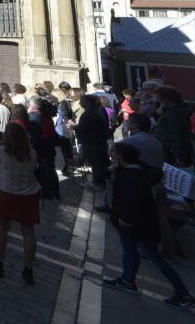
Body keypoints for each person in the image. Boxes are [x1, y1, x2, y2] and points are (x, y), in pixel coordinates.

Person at [102, 142, 194, 309]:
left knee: (153, 256)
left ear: (120, 157)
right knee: (131, 252)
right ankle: (128, 280)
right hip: (141, 222)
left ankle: (183, 293)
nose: (112, 153)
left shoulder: (130, 177)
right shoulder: (140, 171)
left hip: (133, 223)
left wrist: (125, 219)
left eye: (114, 151)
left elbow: (131, 200)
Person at [0, 123, 41, 284]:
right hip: (28, 194)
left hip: (6, 192)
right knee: (28, 232)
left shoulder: (2, 151)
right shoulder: (31, 153)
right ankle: (28, 269)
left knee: (2, 227)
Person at [75, 94, 111, 190]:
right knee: (98, 162)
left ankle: (99, 183)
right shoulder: (97, 110)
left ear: (88, 103)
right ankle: (100, 181)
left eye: (82, 101)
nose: (80, 103)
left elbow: (84, 128)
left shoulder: (91, 113)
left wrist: (74, 127)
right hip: (97, 141)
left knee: (97, 163)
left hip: (92, 142)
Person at [152, 86, 194, 167]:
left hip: (171, 152)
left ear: (167, 99)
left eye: (160, 100)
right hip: (172, 150)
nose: (159, 102)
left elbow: (176, 134)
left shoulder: (173, 113)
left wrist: (179, 156)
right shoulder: (175, 110)